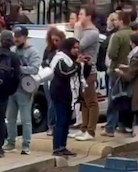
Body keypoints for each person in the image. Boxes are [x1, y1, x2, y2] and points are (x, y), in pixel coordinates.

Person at [3, 26, 41, 155]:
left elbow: (35, 69)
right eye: (15, 36)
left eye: (18, 36)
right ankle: (10, 142)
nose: (16, 39)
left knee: (26, 119)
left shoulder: (33, 52)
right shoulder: (13, 50)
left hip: (25, 89)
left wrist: (19, 69)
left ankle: (26, 145)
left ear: (25, 37)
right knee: (10, 117)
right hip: (12, 88)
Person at [50, 37, 86, 157]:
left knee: (66, 122)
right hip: (60, 94)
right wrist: (77, 63)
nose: (76, 50)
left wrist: (86, 64)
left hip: (70, 95)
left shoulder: (72, 60)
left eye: (77, 48)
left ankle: (63, 146)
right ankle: (57, 147)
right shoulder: (60, 58)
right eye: (74, 48)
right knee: (60, 121)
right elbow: (65, 73)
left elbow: (78, 75)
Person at [70, 5, 101, 142]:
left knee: (91, 101)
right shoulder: (84, 31)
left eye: (82, 14)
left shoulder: (93, 33)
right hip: (81, 70)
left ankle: (91, 130)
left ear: (88, 16)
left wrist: (77, 30)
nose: (79, 17)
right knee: (83, 101)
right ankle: (84, 127)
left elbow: (77, 47)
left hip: (89, 70)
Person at [103, 11, 133, 137]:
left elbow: (112, 54)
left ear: (121, 21)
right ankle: (125, 126)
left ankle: (110, 127)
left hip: (116, 72)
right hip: (131, 72)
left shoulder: (117, 36)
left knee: (113, 100)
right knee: (127, 99)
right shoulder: (134, 34)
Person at [42, 27, 66, 136]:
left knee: (61, 102)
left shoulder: (64, 50)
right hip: (50, 78)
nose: (55, 42)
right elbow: (43, 63)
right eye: (53, 40)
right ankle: (51, 126)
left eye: (57, 40)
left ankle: (60, 124)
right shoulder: (48, 50)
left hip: (61, 79)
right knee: (51, 102)